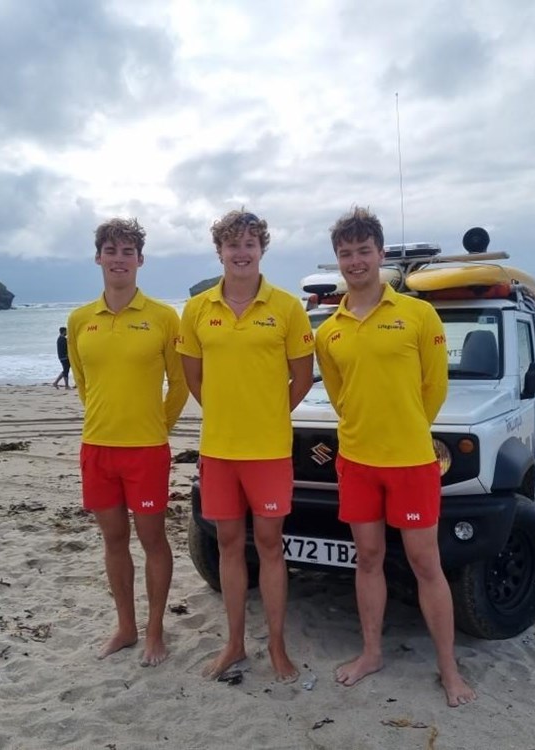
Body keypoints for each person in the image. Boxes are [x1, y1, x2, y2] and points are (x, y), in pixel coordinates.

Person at [314, 206, 476, 707]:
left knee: (427, 564)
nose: (356, 261)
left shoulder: (418, 314)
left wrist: (405, 428)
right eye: (346, 253)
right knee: (368, 559)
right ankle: (370, 653)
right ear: (338, 260)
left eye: (364, 251)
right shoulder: (329, 329)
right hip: (357, 462)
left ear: (381, 254)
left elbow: (435, 386)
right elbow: (340, 396)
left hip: (410, 461)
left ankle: (449, 670)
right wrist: (369, 431)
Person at [177, 209, 314, 681]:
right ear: (220, 251)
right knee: (229, 545)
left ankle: (277, 647)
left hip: (270, 450)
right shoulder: (196, 310)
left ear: (262, 249)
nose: (241, 252)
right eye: (232, 244)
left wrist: (268, 413)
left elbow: (301, 377)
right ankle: (234, 644)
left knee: (271, 545)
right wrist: (228, 412)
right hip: (218, 449)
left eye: (249, 244)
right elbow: (192, 377)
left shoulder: (288, 306)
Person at [67, 217, 188, 666]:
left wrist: (159, 428)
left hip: (147, 451)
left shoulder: (162, 316)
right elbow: (82, 382)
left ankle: (155, 631)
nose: (120, 259)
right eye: (111, 251)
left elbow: (179, 384)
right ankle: (125, 627)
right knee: (113, 541)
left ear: (141, 259)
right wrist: (106, 419)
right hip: (97, 447)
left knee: (153, 539)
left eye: (128, 252)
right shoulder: (80, 319)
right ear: (98, 256)